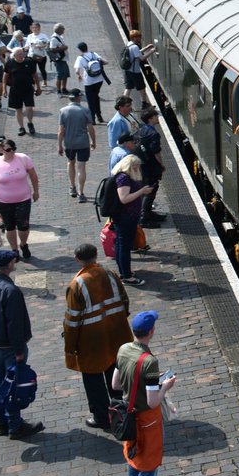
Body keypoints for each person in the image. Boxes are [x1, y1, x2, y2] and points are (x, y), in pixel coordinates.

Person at [0, 248, 43, 439]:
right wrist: (20, 351)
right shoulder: (11, 291)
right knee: (13, 385)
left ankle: (2, 422)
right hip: (8, 346)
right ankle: (15, 424)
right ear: (10, 265)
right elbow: (15, 325)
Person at [64, 243, 132, 431]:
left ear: (78, 260)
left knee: (93, 381)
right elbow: (125, 302)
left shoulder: (76, 284)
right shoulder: (110, 274)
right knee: (115, 377)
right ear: (96, 255)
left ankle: (101, 417)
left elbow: (72, 321)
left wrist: (70, 347)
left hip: (91, 342)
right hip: (116, 335)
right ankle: (121, 410)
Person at [112, 310, 177, 476]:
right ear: (151, 331)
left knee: (134, 461)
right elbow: (152, 402)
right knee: (148, 468)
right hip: (148, 421)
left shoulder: (123, 349)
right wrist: (165, 386)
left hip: (129, 417)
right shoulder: (149, 362)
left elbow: (115, 384)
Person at [0, 138, 39, 260]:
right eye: (8, 150)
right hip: (3, 201)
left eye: (13, 149)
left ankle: (23, 244)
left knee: (23, 226)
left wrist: (36, 191)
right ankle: (14, 250)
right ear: (1, 150)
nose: (12, 152)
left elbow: (33, 175)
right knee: (9, 226)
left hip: (23, 198)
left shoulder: (23, 159)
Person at [111, 154, 153, 286]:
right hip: (126, 217)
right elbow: (124, 198)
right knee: (124, 246)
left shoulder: (123, 177)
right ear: (131, 166)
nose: (138, 169)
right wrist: (141, 191)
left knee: (121, 244)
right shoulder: (124, 178)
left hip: (127, 216)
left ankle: (124, 272)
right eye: (136, 167)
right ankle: (127, 276)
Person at [57, 88, 97, 202]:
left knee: (70, 163)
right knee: (81, 167)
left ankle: (72, 186)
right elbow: (90, 128)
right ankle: (81, 193)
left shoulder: (63, 111)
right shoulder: (85, 110)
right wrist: (93, 141)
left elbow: (61, 131)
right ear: (79, 97)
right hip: (83, 143)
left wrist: (59, 145)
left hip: (69, 143)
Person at [134, 108, 166, 224]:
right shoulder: (153, 134)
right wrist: (161, 164)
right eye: (155, 116)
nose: (157, 118)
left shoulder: (141, 130)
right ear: (151, 119)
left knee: (148, 188)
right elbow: (156, 151)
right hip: (150, 165)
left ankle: (148, 213)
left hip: (141, 164)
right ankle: (144, 218)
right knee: (151, 188)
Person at [3, 46, 39, 136]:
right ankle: (21, 127)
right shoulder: (10, 63)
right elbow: (5, 76)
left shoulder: (29, 62)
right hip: (15, 89)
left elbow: (35, 75)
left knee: (29, 107)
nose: (21, 55)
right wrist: (4, 89)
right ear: (14, 55)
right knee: (18, 109)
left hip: (28, 89)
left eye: (22, 53)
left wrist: (38, 87)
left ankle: (30, 123)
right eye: (18, 54)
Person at [75, 41, 109, 123]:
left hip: (89, 81)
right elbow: (105, 62)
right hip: (99, 80)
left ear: (80, 50)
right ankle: (99, 116)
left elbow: (77, 70)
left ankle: (92, 118)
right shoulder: (94, 54)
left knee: (90, 100)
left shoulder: (80, 58)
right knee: (96, 96)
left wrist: (79, 75)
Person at [122, 30, 157, 108]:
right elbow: (142, 58)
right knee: (142, 88)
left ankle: (122, 104)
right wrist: (152, 51)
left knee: (128, 87)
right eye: (139, 37)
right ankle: (144, 104)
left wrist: (147, 48)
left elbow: (137, 53)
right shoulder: (134, 47)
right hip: (135, 72)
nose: (140, 38)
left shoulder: (129, 44)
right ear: (134, 38)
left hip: (128, 70)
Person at [26, 22, 50, 94]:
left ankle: (44, 80)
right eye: (33, 28)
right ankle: (34, 84)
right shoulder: (29, 36)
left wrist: (41, 46)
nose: (34, 29)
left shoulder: (43, 36)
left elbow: (47, 44)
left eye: (36, 27)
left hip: (41, 56)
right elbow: (27, 45)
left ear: (39, 28)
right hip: (31, 56)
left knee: (42, 69)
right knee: (33, 70)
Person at [48, 23, 70, 96]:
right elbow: (52, 49)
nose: (64, 30)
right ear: (59, 30)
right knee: (60, 76)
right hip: (60, 61)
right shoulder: (54, 38)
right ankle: (58, 91)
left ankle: (64, 89)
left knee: (65, 74)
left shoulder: (60, 37)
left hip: (63, 59)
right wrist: (63, 48)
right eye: (63, 28)